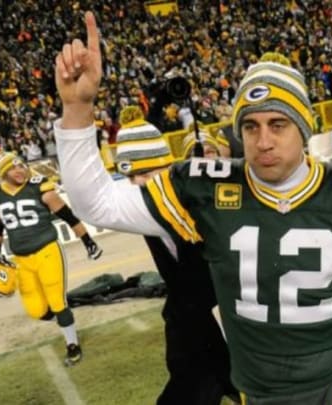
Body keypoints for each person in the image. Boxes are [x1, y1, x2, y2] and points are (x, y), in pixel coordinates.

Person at [54, 12, 332, 403]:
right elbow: (97, 204)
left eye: (278, 124)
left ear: (304, 127)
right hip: (258, 390)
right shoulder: (205, 188)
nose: (263, 140)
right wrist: (77, 109)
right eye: (250, 126)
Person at [114, 120, 238, 404]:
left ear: (169, 167)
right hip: (190, 331)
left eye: (146, 173)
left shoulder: (210, 205)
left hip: (234, 324)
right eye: (132, 176)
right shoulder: (145, 207)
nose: (138, 184)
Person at [0, 151, 103, 366]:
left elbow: (68, 216)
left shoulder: (40, 188)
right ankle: (65, 314)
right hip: (21, 259)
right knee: (36, 310)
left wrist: (88, 241)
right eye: (14, 167)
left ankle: (72, 344)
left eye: (22, 165)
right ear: (3, 173)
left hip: (47, 250)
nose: (20, 170)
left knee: (57, 302)